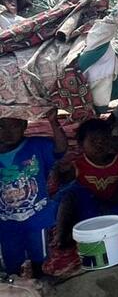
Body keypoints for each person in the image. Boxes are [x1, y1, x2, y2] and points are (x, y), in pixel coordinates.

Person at [0, 111, 68, 278]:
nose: (8, 132)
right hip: (5, 222)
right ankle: (14, 287)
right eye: (1, 126)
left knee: (40, 260)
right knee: (11, 262)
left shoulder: (37, 146)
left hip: (37, 217)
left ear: (25, 125)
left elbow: (61, 149)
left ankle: (39, 282)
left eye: (14, 126)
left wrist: (53, 121)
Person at [56, 118, 118, 248]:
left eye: (104, 140)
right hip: (87, 201)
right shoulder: (78, 165)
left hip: (113, 198)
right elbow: (63, 181)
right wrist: (59, 172)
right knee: (68, 199)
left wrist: (113, 201)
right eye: (93, 141)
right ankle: (62, 236)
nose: (99, 145)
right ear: (81, 144)